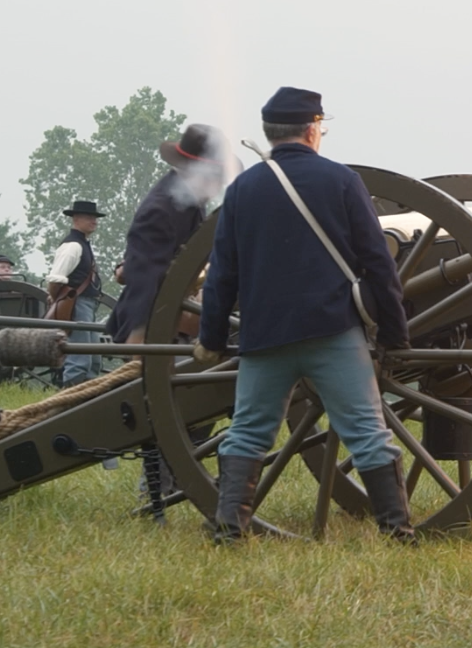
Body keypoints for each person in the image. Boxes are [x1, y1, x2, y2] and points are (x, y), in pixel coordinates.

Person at [197, 87, 414, 544]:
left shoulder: (243, 189)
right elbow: (378, 263)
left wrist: (212, 338)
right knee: (367, 432)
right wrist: (394, 334)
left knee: (247, 432)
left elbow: (222, 274)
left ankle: (228, 532)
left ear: (269, 133)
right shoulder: (341, 180)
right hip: (333, 331)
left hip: (265, 335)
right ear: (313, 129)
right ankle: (397, 532)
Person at [110, 123, 228, 517]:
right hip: (155, 325)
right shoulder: (161, 209)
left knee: (202, 402)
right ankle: (154, 492)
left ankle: (175, 479)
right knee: (174, 409)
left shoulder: (188, 201)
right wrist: (141, 335)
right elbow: (143, 275)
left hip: (183, 320)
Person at [45, 198, 111, 385]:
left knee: (93, 358)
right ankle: (70, 394)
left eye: (95, 217)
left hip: (86, 304)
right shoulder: (72, 246)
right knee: (80, 358)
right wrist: (57, 299)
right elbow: (56, 279)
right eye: (89, 217)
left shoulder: (82, 244)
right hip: (77, 303)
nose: (94, 221)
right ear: (76, 219)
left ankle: (89, 394)